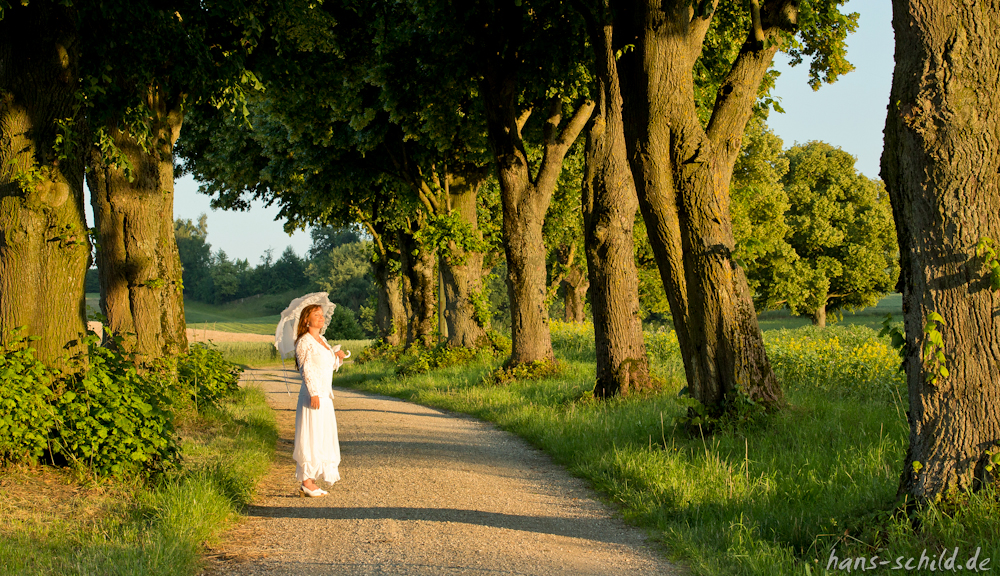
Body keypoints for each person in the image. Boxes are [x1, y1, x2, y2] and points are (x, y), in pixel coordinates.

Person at [293, 304, 346, 497]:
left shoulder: (322, 340)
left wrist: (337, 358)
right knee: (311, 436)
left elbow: (326, 366)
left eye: (322, 315)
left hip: (325, 395)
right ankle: (306, 482)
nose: (321, 318)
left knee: (322, 435)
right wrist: (313, 392)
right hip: (312, 395)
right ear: (307, 320)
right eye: (317, 315)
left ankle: (312, 481)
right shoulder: (304, 341)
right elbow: (305, 369)